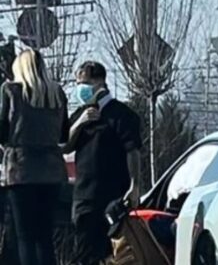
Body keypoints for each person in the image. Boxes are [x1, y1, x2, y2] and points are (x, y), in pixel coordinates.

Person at [65, 61, 142, 265]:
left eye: (84, 83)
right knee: (85, 255)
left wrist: (135, 185)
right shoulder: (79, 115)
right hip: (85, 198)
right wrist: (80, 123)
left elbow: (132, 151)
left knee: (116, 255)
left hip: (114, 199)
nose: (80, 89)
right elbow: (65, 146)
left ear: (99, 83)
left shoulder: (122, 115)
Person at [0, 49, 69, 265]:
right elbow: (63, 136)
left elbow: (2, 131)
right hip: (52, 171)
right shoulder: (57, 93)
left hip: (21, 170)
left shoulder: (11, 91)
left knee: (25, 237)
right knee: (45, 237)